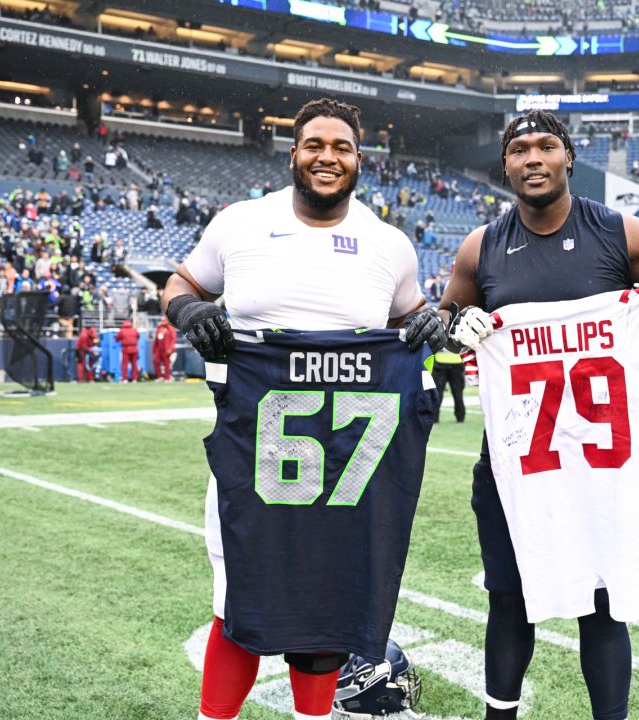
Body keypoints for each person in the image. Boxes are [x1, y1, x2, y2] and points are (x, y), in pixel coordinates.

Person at [159, 98, 446, 720]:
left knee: (328, 606)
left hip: (351, 463)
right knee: (236, 600)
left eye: (341, 147)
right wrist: (190, 311)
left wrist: (428, 321)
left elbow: (409, 316)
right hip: (256, 451)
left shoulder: (389, 243)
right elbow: (181, 284)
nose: (327, 157)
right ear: (293, 154)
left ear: (359, 159)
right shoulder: (240, 223)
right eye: (314, 144)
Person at [435, 110, 639, 720]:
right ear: (504, 164)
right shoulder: (481, 246)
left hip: (598, 461)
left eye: (546, 146)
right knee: (509, 599)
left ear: (568, 156)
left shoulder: (622, 233)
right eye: (519, 149)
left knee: (603, 602)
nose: (532, 158)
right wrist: (459, 326)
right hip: (519, 459)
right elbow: (440, 329)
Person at [430, 348, 466, 423]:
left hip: (440, 361)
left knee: (438, 392)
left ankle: (435, 418)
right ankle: (460, 418)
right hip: (457, 360)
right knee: (458, 392)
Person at [152, 315, 177, 381]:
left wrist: (170, 349)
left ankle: (167, 377)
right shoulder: (159, 329)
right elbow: (156, 340)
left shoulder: (170, 329)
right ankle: (160, 376)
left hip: (167, 349)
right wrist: (154, 350)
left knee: (167, 364)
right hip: (159, 349)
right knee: (156, 361)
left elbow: (173, 340)